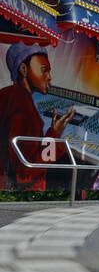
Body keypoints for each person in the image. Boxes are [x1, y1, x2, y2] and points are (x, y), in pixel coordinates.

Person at [0, 44, 73, 190]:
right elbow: (26, 173)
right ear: (24, 69)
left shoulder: (7, 94)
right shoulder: (22, 106)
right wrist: (54, 135)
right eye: (44, 70)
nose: (49, 77)